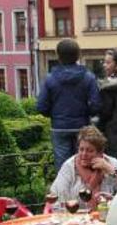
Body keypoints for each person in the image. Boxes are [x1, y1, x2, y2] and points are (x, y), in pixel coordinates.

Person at [37, 39, 101, 171]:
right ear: (78, 55)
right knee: (85, 163)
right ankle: (85, 190)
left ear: (58, 56)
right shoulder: (88, 77)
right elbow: (96, 105)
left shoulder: (50, 78)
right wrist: (85, 113)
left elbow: (41, 107)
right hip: (82, 127)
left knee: (63, 168)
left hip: (59, 127)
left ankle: (65, 191)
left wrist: (55, 115)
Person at [50, 126, 117, 209]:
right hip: (76, 217)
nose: (84, 154)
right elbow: (57, 197)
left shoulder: (110, 163)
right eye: (81, 149)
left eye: (89, 151)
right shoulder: (69, 166)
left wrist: (110, 170)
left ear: (100, 153)